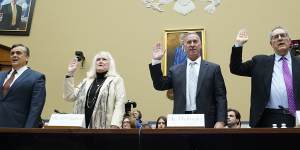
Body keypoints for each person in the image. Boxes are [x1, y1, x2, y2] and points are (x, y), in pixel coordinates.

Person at [149, 32, 227, 128]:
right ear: (184, 46)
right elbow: (159, 85)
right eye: (189, 42)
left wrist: (221, 121)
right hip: (181, 120)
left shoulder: (213, 69)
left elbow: (221, 97)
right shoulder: (175, 70)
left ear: (200, 45)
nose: (192, 44)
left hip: (207, 121)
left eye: (195, 41)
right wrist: (156, 61)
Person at [230, 26, 300, 128]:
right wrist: (238, 45)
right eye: (275, 37)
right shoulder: (260, 62)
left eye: (283, 36)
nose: (280, 38)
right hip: (267, 117)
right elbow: (236, 68)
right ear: (271, 44)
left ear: (289, 41)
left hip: (296, 116)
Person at [63, 51, 126, 129]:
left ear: (110, 64)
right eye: (98, 59)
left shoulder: (116, 80)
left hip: (105, 128)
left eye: (104, 59)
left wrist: (115, 125)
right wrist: (70, 73)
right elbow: (69, 96)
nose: (100, 61)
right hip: (81, 127)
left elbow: (120, 103)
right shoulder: (86, 81)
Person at [0, 44, 46, 128]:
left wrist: (27, 130)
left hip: (18, 127)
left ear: (27, 57)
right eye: (12, 53)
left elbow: (36, 108)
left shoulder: (36, 77)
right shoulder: (1, 75)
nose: (14, 55)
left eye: (18, 53)